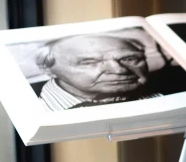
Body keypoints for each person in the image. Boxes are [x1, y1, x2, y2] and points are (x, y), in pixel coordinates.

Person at [35, 34, 166, 110]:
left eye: (129, 58)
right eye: (89, 62)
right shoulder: (32, 108)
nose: (119, 70)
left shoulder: (170, 91)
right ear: (48, 69)